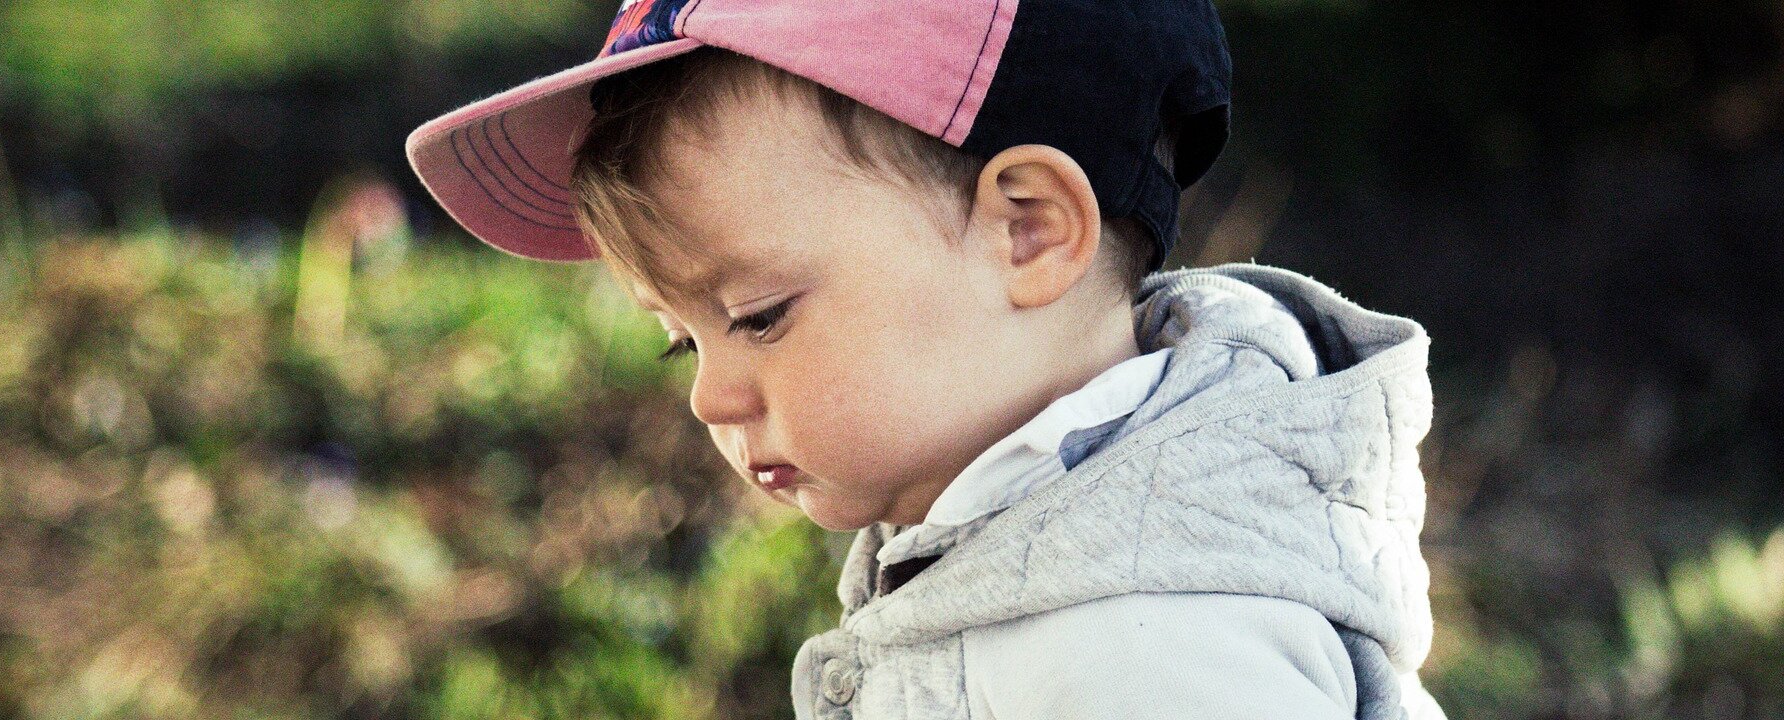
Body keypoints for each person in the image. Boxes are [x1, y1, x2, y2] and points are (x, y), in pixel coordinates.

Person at [404, 1, 1449, 717]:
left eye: (758, 316)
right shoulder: (1024, 558)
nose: (709, 399)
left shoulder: (1147, 645)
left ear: (1029, 231)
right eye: (682, 338)